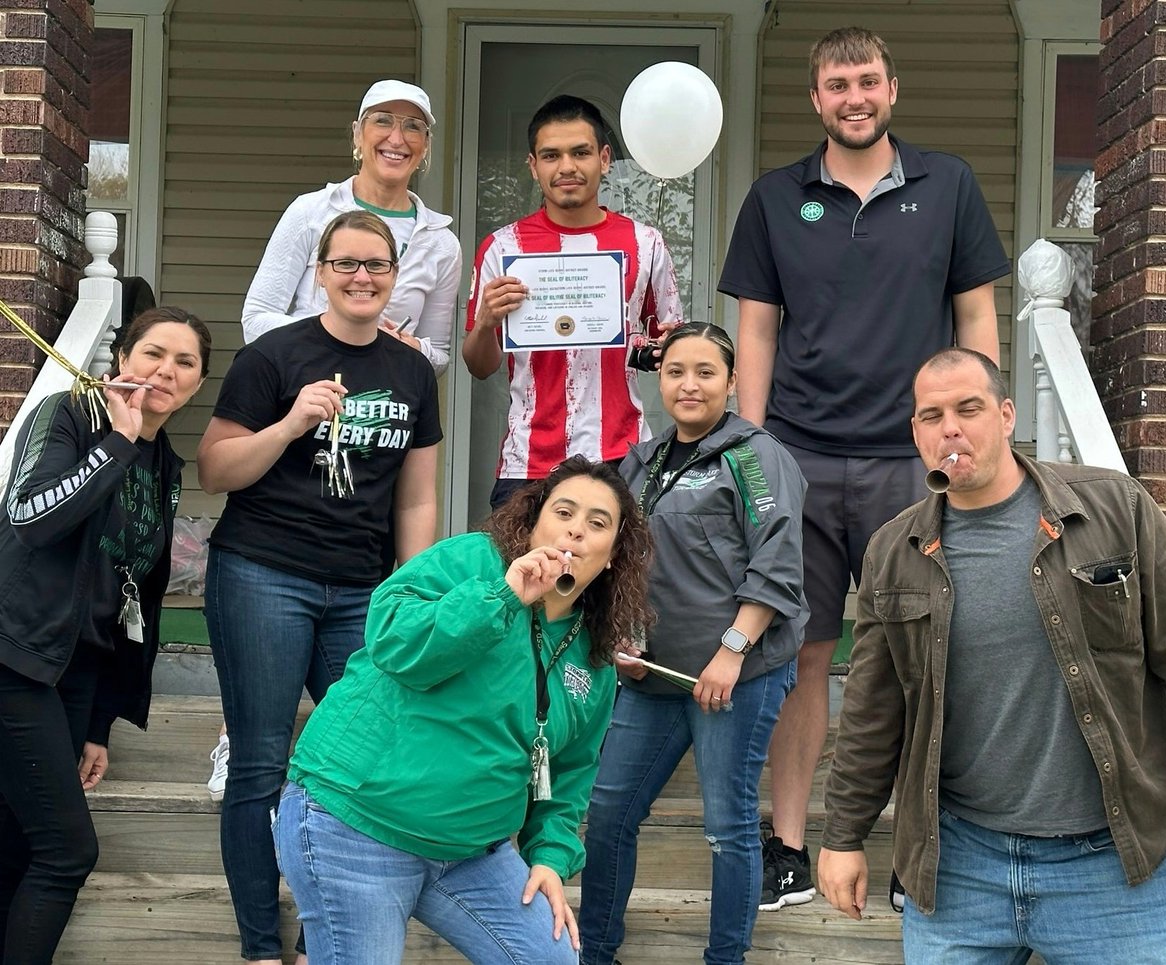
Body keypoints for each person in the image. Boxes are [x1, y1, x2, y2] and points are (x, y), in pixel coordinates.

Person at [716, 26, 1011, 911]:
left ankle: (919, 847)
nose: (855, 97)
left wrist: (974, 431)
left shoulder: (948, 184)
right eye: (838, 84)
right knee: (799, 654)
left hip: (910, 461)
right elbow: (757, 331)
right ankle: (788, 843)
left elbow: (976, 317)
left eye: (869, 81)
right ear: (816, 99)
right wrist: (753, 448)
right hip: (799, 456)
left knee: (923, 653)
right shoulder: (775, 198)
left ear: (892, 89)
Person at [818, 348, 1166, 963]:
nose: (950, 429)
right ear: (916, 433)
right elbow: (871, 711)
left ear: (1006, 416)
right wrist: (843, 835)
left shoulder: (1113, 509)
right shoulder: (894, 551)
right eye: (932, 416)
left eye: (968, 409)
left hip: (1110, 867)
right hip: (960, 867)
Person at [274, 456, 654, 964]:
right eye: (563, 512)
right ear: (534, 522)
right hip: (357, 824)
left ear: (612, 555)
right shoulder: (472, 560)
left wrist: (549, 857)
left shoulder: (594, 659)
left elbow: (568, 774)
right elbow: (392, 641)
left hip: (471, 850)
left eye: (597, 523)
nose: (576, 531)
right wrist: (502, 598)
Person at [197, 209, 442, 965]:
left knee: (358, 761)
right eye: (346, 264)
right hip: (262, 573)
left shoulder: (412, 370)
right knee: (261, 761)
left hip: (361, 589)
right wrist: (289, 425)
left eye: (376, 265)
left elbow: (417, 497)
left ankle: (321, 937)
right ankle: (259, 945)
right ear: (320, 272)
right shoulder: (274, 355)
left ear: (395, 276)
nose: (361, 277)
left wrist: (407, 591)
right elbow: (215, 468)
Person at [578, 323, 808, 965]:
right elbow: (619, 560)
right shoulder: (642, 461)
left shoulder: (754, 455)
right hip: (652, 675)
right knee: (610, 812)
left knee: (728, 827)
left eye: (706, 372)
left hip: (737, 676)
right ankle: (594, 952)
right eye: (676, 371)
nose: (689, 384)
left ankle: (724, 958)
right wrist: (618, 635)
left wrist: (732, 652)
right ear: (660, 379)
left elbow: (779, 559)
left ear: (731, 383)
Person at [0, 307, 211, 963]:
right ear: (121, 359)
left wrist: (99, 722)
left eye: (184, 362)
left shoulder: (164, 465)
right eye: (153, 353)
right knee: (67, 851)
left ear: (198, 383)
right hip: (14, 653)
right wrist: (117, 442)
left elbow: (130, 597)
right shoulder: (69, 413)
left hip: (71, 674)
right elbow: (31, 515)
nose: (165, 371)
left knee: (18, 847)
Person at [461, 93, 683, 509]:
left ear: (604, 159)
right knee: (519, 557)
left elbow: (665, 348)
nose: (566, 167)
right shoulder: (503, 247)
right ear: (533, 166)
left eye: (580, 152)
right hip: (528, 460)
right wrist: (487, 322)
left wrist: (667, 348)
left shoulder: (646, 243)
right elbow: (479, 365)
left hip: (623, 455)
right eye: (551, 155)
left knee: (626, 557)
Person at [242, 79, 462, 376]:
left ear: (425, 146)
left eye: (413, 126)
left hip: (386, 396)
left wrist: (411, 348)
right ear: (358, 133)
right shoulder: (311, 211)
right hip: (303, 389)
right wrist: (335, 334)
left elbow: (439, 357)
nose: (397, 139)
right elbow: (255, 321)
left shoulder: (441, 243)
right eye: (383, 121)